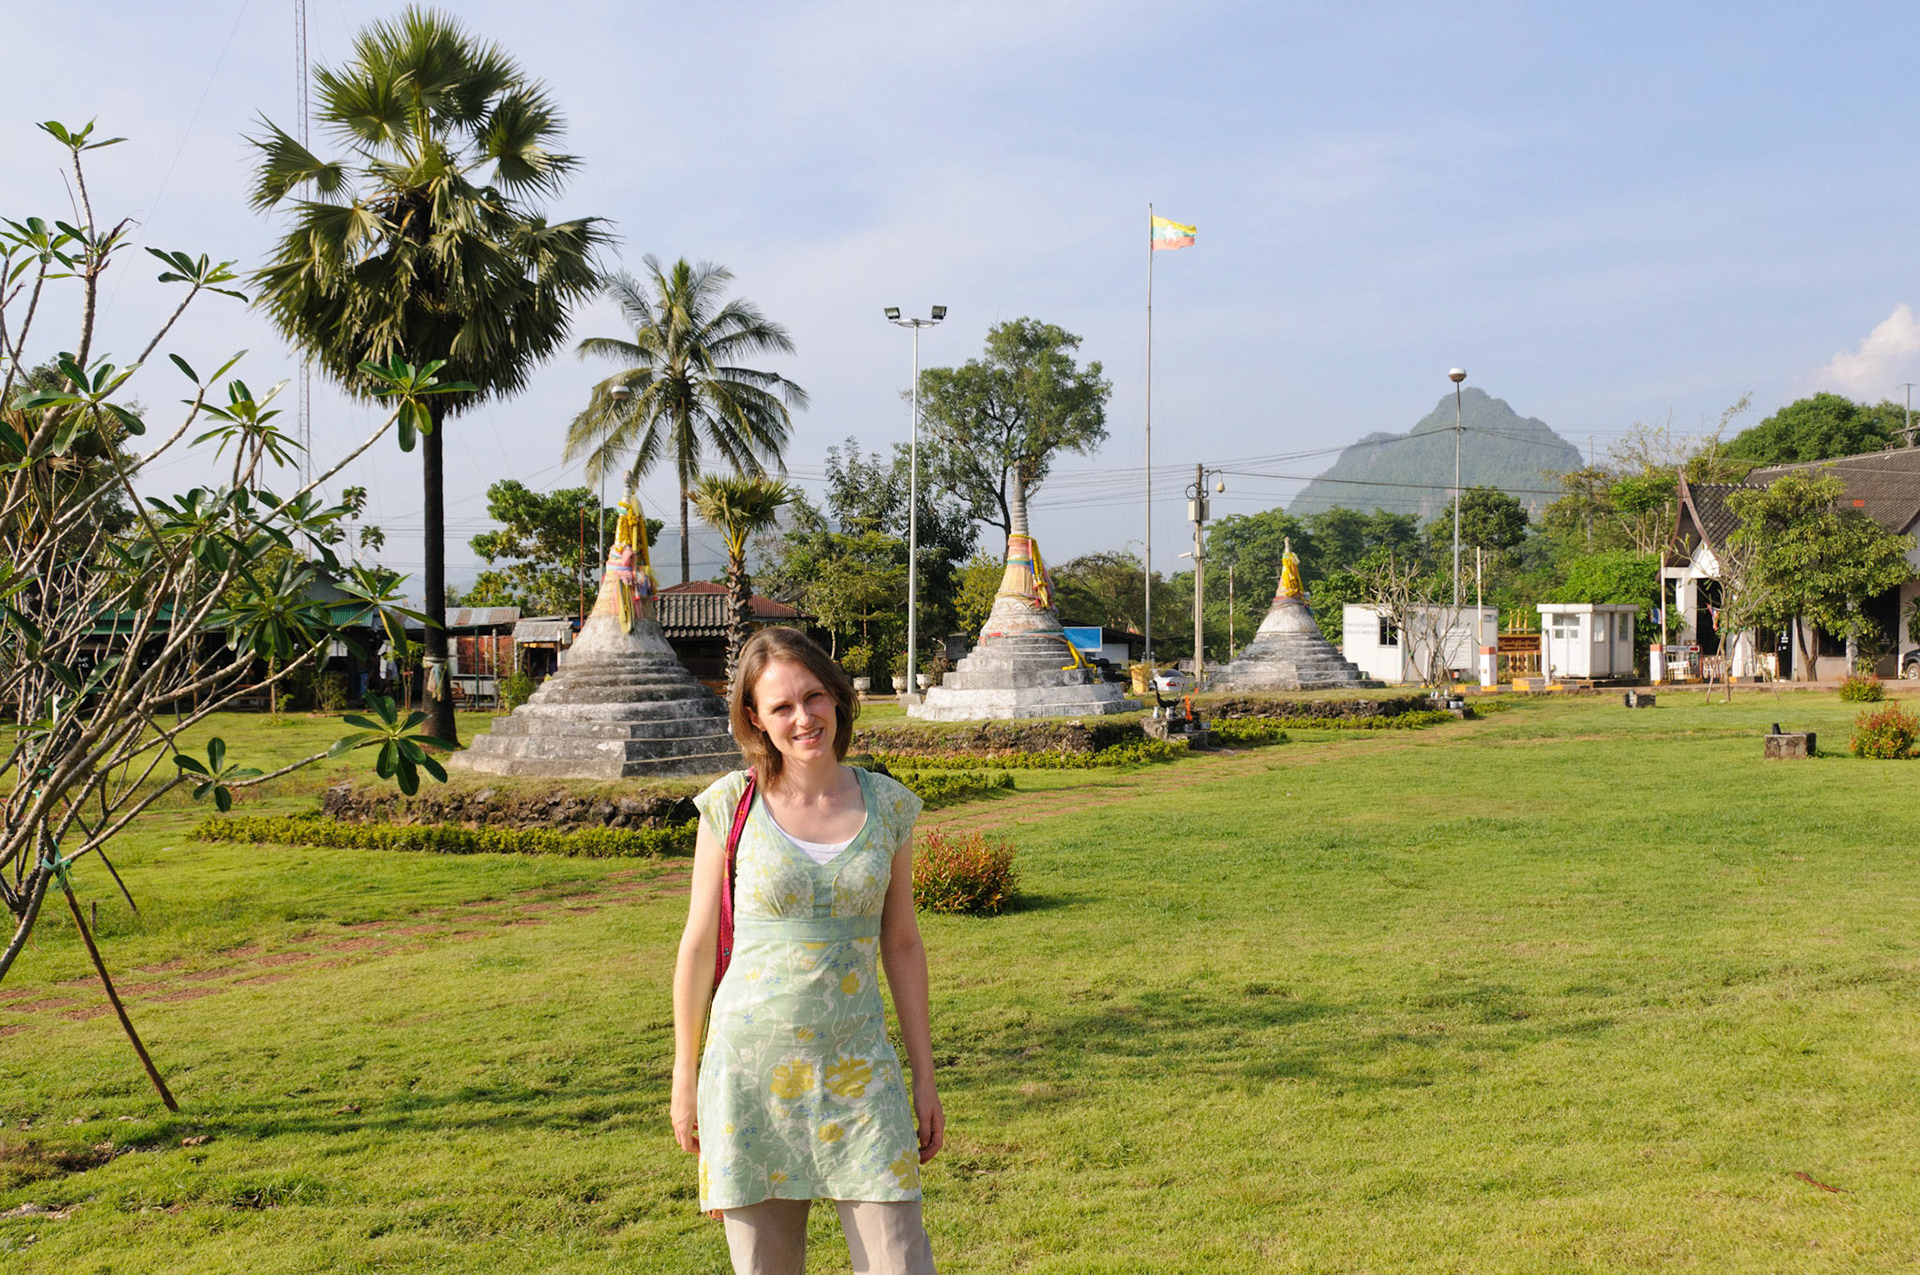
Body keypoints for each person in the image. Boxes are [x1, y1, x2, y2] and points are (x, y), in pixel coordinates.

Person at [672, 626, 943, 1274]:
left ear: (838, 697)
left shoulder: (888, 805)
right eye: (781, 706)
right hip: (750, 1076)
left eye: (813, 696)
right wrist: (686, 1076)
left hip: (861, 1073)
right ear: (754, 719)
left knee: (900, 1261)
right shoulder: (731, 805)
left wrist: (925, 1073)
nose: (803, 718)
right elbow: (698, 944)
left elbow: (901, 942)